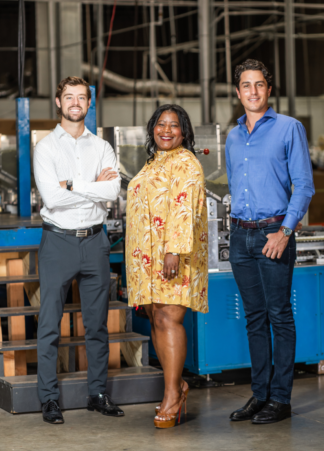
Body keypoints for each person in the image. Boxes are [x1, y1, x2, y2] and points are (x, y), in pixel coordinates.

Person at [226, 59, 314, 424]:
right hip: (240, 235)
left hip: (273, 233)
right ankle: (259, 394)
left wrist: (285, 232)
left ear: (269, 88)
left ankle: (281, 398)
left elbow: (304, 185)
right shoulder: (232, 136)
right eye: (246, 85)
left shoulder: (289, 128)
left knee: (279, 316)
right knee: (254, 318)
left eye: (259, 84)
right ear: (238, 92)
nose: (253, 91)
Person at [34, 76, 125, 424]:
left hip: (95, 241)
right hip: (57, 241)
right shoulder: (46, 148)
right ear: (58, 102)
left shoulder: (101, 146)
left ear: (89, 103)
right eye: (68, 97)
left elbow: (112, 191)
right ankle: (49, 399)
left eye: (81, 98)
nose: (75, 103)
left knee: (97, 324)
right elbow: (52, 200)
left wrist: (72, 183)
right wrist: (94, 187)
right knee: (49, 325)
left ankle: (97, 393)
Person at [126, 104, 208, 429]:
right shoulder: (151, 163)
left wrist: (174, 250)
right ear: (153, 129)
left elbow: (183, 208)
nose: (166, 130)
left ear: (184, 132)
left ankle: (173, 396)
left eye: (174, 125)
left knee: (169, 318)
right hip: (146, 259)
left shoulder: (187, 162)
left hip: (174, 254)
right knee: (156, 317)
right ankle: (174, 387)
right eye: (161, 124)